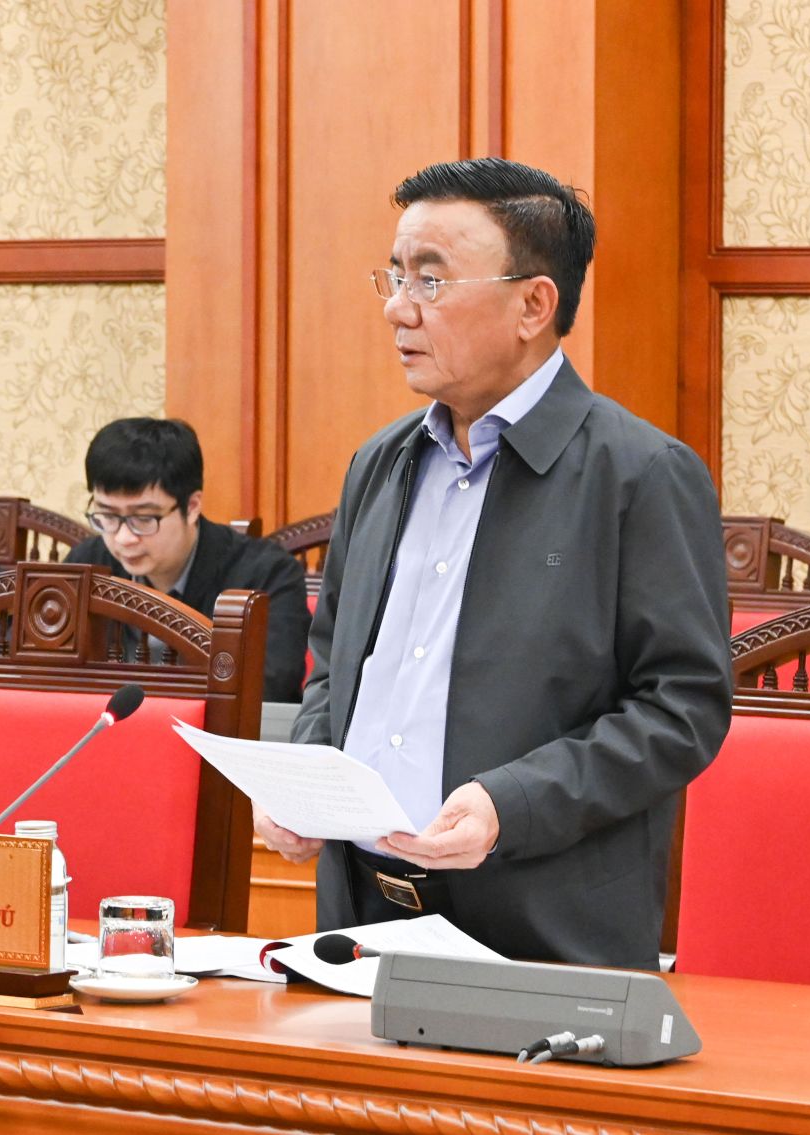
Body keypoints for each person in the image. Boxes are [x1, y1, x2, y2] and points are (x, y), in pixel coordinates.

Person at [260, 158, 732, 970]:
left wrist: (508, 803)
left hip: (539, 939)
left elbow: (681, 709)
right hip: (356, 924)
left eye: (431, 279)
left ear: (533, 306)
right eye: (395, 274)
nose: (397, 306)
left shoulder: (640, 475)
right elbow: (335, 665)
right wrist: (309, 779)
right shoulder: (380, 463)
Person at [64, 418, 311, 703]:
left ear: (192, 507)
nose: (123, 538)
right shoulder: (87, 564)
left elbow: (269, 688)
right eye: (107, 515)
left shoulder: (267, 575)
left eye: (143, 518)